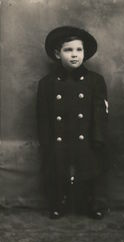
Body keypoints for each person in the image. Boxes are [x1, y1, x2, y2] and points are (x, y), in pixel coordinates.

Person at [37, 26, 109, 219]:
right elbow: (43, 117)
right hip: (59, 138)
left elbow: (100, 113)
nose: (75, 55)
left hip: (86, 137)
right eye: (68, 50)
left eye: (79, 50)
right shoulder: (47, 83)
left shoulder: (95, 81)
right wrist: (46, 142)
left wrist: (98, 138)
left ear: (84, 53)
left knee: (90, 170)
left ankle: (93, 204)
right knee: (58, 170)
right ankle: (58, 203)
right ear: (57, 54)